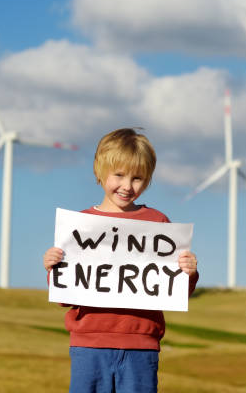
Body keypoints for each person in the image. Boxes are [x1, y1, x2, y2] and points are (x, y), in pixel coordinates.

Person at [43, 128, 199, 393]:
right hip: (88, 345)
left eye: (137, 178)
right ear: (100, 171)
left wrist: (189, 272)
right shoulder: (81, 226)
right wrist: (53, 267)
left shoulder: (158, 224)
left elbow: (175, 289)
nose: (127, 186)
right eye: (119, 175)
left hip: (141, 345)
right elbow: (64, 297)